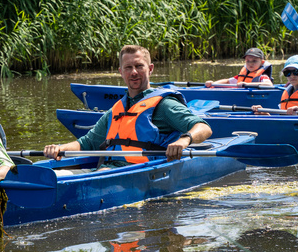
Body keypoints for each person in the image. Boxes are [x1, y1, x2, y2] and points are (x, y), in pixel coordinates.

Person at [44, 44, 212, 164]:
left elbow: (203, 127)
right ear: (120, 72)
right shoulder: (116, 110)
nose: (134, 72)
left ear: (150, 69)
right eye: (128, 67)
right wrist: (59, 148)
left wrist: (184, 140)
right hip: (109, 169)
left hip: (141, 171)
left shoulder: (165, 105)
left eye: (139, 66)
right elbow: (86, 143)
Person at [204, 48, 273, 88]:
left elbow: (269, 85)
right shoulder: (242, 76)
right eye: (248, 61)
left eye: (254, 61)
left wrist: (246, 84)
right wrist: (212, 83)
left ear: (262, 62)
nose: (250, 63)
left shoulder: (263, 77)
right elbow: (227, 81)